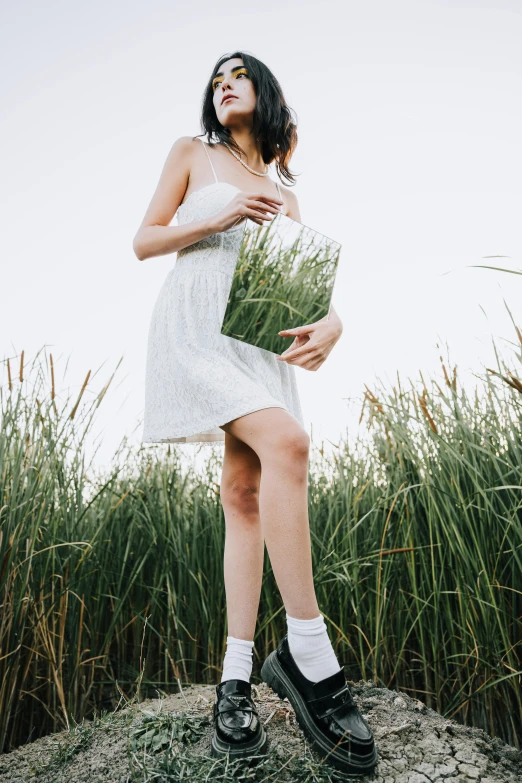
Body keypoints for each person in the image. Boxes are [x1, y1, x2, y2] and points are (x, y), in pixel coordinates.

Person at [133, 51, 377, 775]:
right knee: (291, 442)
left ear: (264, 92)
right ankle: (308, 651)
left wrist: (334, 323)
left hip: (255, 347)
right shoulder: (192, 155)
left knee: (243, 495)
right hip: (196, 333)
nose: (223, 83)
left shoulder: (284, 194)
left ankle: (234, 681)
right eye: (216, 78)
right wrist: (224, 215)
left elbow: (300, 293)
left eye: (238, 74)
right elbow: (144, 240)